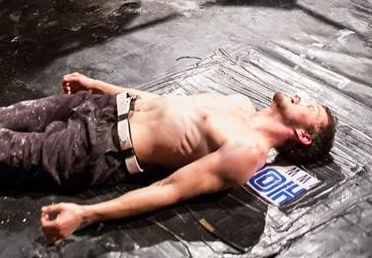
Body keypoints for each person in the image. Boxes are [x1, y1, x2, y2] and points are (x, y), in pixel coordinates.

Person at [0, 71, 338, 245]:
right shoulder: (240, 104)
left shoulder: (248, 151)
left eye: (311, 108)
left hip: (94, 148)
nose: (300, 97)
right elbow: (161, 102)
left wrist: (87, 215)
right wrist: (98, 85)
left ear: (304, 136)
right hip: (95, 106)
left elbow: (170, 188)